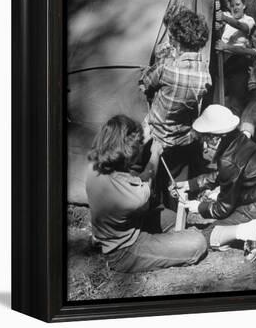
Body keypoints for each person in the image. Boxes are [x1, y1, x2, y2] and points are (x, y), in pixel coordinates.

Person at [86, 115, 207, 273]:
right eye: (136, 147)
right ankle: (118, 252)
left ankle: (100, 240)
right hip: (125, 249)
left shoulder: (97, 163)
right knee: (197, 243)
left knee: (170, 217)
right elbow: (147, 177)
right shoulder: (130, 197)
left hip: (130, 224)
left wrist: (147, 131)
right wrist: (154, 154)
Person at [176, 104, 256, 262]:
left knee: (206, 236)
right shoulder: (238, 140)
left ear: (216, 137)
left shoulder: (229, 160)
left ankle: (249, 231)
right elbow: (225, 174)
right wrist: (192, 184)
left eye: (206, 139)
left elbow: (222, 208)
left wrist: (198, 207)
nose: (204, 145)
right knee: (226, 222)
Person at [139, 8, 211, 208]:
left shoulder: (167, 69)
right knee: (176, 188)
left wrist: (162, 60)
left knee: (148, 185)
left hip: (156, 137)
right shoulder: (206, 75)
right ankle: (177, 222)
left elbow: (145, 82)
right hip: (183, 140)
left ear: (177, 42)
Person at [217, 23, 256, 138]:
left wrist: (226, 46)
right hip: (255, 90)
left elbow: (247, 52)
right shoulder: (253, 50)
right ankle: (241, 146)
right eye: (255, 36)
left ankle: (242, 148)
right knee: (245, 117)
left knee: (248, 119)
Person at [215, 0, 255, 117]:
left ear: (244, 5)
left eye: (238, 4)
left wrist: (225, 19)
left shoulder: (248, 20)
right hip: (223, 62)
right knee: (218, 100)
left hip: (239, 62)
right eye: (232, 5)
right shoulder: (226, 15)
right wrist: (216, 10)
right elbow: (216, 18)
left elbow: (243, 27)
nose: (235, 8)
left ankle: (237, 133)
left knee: (236, 102)